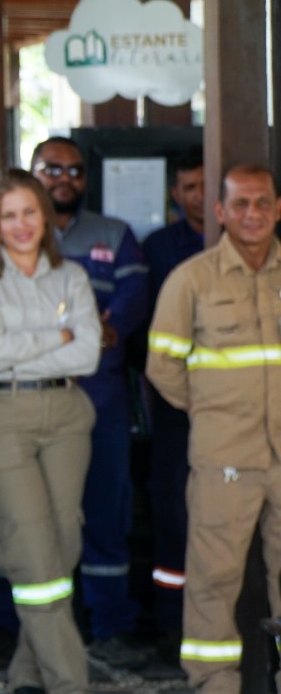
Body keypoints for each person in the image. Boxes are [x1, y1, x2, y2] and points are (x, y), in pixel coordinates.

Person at [0, 169, 102, 694]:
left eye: (29, 212)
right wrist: (57, 341)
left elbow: (88, 355)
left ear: (45, 216)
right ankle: (73, 692)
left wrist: (34, 351)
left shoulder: (71, 275)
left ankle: (25, 676)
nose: (20, 225)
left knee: (62, 543)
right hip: (3, 416)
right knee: (31, 548)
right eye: (7, 215)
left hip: (67, 415)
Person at [147, 165, 281, 694]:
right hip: (224, 458)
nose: (252, 213)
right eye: (240, 203)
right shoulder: (191, 280)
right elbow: (162, 368)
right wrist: (213, 414)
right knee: (212, 581)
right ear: (220, 212)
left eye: (263, 202)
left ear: (277, 209)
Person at [141, 148, 206, 657]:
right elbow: (149, 343)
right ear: (174, 193)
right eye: (189, 188)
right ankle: (169, 623)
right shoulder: (158, 249)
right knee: (174, 514)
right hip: (174, 409)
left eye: (208, 186)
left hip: (247, 414)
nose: (199, 198)